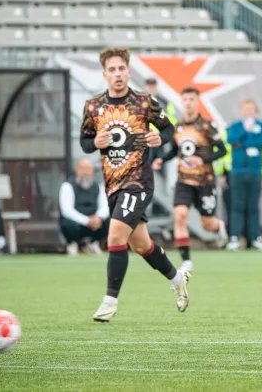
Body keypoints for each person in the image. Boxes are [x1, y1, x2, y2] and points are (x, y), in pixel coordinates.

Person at [80, 46, 190, 322]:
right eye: (112, 70)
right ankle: (178, 279)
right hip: (112, 185)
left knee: (115, 236)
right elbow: (84, 142)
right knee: (141, 245)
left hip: (138, 182)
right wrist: (95, 143)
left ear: (128, 71)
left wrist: (159, 139)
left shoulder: (144, 102)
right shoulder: (93, 106)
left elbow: (168, 128)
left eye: (121, 69)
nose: (117, 74)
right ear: (104, 74)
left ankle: (109, 301)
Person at [153, 87, 229, 272]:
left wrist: (201, 159)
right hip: (184, 180)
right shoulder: (178, 127)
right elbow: (174, 150)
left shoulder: (206, 126)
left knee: (207, 224)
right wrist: (161, 159)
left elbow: (222, 150)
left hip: (205, 181)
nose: (188, 102)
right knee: (179, 216)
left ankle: (218, 226)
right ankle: (186, 261)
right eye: (185, 99)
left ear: (197, 101)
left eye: (191, 99)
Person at [225, 99, 262, 251]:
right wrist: (245, 131)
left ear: (255, 110)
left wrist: (242, 143)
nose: (248, 111)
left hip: (255, 171)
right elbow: (231, 139)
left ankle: (255, 238)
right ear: (241, 111)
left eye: (251, 108)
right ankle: (234, 238)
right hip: (237, 171)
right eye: (245, 108)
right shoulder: (236, 126)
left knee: (253, 206)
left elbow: (261, 141)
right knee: (237, 205)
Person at [58, 158, 109, 256]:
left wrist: (97, 218)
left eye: (88, 169)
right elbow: (67, 210)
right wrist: (87, 221)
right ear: (76, 170)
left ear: (93, 171)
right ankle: (73, 244)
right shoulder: (67, 186)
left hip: (94, 225)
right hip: (76, 224)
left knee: (109, 221)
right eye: (82, 168)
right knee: (67, 223)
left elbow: (105, 207)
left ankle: (93, 244)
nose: (85, 172)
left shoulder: (99, 187)